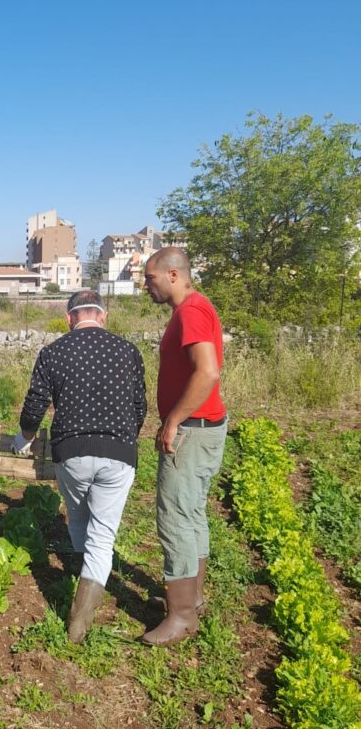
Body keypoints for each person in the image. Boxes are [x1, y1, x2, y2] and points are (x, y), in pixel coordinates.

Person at [12, 290, 147, 643]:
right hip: (118, 451)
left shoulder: (53, 352)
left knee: (77, 513)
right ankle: (79, 622)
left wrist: (23, 437)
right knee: (103, 536)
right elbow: (139, 405)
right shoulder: (127, 351)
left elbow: (35, 403)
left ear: (69, 317)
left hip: (70, 451)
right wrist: (125, 436)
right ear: (103, 316)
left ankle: (76, 567)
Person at [141, 247, 227, 647]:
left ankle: (181, 616)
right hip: (205, 426)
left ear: (173, 274)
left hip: (192, 429)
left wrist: (173, 420)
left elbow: (208, 371)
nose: (146, 286)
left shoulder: (191, 311)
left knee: (175, 517)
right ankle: (192, 599)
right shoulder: (195, 307)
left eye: (150, 279)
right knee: (191, 513)